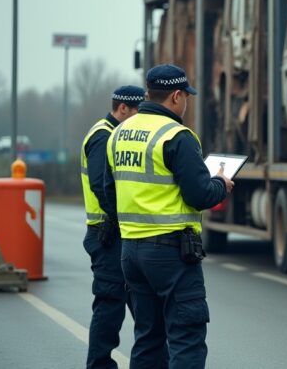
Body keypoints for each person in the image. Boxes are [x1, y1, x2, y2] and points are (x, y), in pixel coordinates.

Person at [104, 64, 233, 369]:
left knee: (148, 338)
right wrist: (221, 184)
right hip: (172, 253)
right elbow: (200, 195)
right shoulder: (177, 136)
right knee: (186, 337)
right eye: (186, 96)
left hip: (131, 252)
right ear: (176, 96)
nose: (186, 102)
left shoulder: (119, 133)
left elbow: (109, 194)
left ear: (149, 93)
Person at [80, 85, 145, 368]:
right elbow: (100, 186)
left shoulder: (115, 134)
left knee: (142, 308)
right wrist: (125, 215)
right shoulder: (102, 137)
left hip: (119, 233)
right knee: (109, 307)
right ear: (122, 109)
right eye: (137, 113)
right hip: (106, 234)